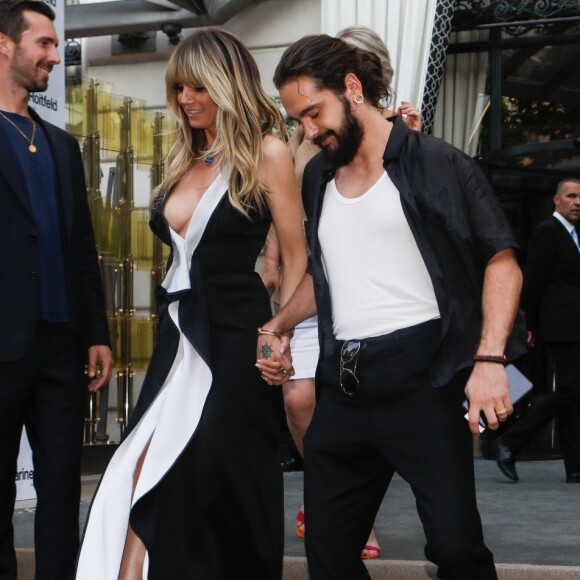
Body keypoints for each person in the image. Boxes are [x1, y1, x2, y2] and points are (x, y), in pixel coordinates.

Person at [256, 34, 526, 580]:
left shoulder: (437, 163)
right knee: (328, 554)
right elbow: (327, 274)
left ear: (352, 88)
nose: (309, 131)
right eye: (298, 120)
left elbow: (502, 261)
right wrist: (278, 325)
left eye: (315, 112)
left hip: (423, 379)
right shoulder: (317, 177)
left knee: (455, 549)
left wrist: (490, 361)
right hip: (345, 385)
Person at [76, 28, 307, 579]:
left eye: (197, 87)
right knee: (139, 464)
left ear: (226, 85)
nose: (185, 99)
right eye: (179, 88)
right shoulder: (190, 156)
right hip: (178, 335)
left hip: (234, 337)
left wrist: (279, 332)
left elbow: (298, 258)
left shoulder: (267, 152)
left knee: (206, 471)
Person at [260, 26, 422, 558]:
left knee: (353, 408)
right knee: (299, 398)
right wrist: (274, 265)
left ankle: (353, 514)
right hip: (306, 282)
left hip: (364, 295)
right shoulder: (300, 138)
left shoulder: (395, 136)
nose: (309, 127)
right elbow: (283, 211)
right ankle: (327, 498)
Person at [0, 2, 113, 579]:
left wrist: (96, 332)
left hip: (63, 348)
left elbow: (82, 250)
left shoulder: (63, 147)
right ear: (4, 45)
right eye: (43, 43)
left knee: (62, 491)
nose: (53, 54)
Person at [495, 178, 580, 484]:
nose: (577, 202)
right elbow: (533, 281)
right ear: (556, 200)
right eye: (571, 196)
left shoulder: (573, 235)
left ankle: (574, 466)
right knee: (570, 390)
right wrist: (529, 325)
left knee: (574, 394)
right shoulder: (549, 231)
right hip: (562, 326)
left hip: (573, 326)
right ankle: (509, 442)